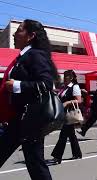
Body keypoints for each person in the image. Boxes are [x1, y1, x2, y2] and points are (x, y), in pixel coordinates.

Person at [0, 19, 57, 179]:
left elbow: (46, 83)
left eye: (19, 30)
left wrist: (18, 85)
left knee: (36, 165)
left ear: (31, 36)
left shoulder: (35, 55)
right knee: (35, 165)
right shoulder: (23, 56)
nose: (14, 33)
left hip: (29, 120)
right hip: (18, 119)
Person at [51, 70, 83, 164]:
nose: (64, 78)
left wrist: (68, 102)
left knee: (63, 135)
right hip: (63, 114)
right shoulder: (64, 88)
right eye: (64, 76)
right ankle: (77, 153)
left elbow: (79, 101)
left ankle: (57, 156)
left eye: (66, 76)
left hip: (70, 114)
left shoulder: (75, 86)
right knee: (71, 135)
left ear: (71, 77)